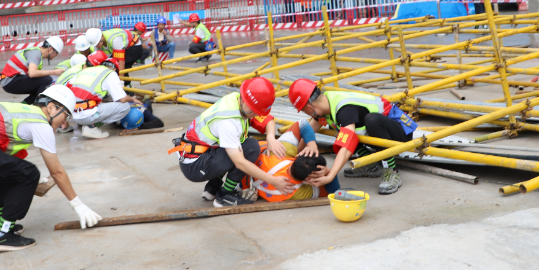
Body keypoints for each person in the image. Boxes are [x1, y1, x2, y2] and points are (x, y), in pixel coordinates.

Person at [0, 85, 102, 252]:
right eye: (65, 116)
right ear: (51, 108)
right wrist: (78, 205)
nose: (64, 123)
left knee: (3, 172)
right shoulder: (41, 124)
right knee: (30, 173)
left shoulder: (22, 111)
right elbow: (56, 171)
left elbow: (4, 159)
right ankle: (2, 235)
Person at [170, 77, 295, 207]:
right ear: (244, 99)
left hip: (198, 154)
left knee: (235, 146)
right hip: (195, 165)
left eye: (257, 111)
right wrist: (273, 180)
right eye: (252, 110)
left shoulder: (237, 100)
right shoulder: (229, 122)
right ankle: (224, 196)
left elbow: (268, 120)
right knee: (250, 148)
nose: (254, 114)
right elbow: (240, 163)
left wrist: (270, 138)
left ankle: (212, 188)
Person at [288, 79, 418, 195]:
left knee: (369, 121)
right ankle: (371, 165)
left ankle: (392, 171)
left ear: (309, 106)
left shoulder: (344, 109)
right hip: (380, 135)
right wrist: (292, 157)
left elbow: (346, 145)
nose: (307, 114)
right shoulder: (326, 104)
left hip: (400, 134)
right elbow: (307, 132)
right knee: (341, 129)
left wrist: (330, 176)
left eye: (304, 111)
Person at [68, 50, 162, 139]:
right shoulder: (109, 73)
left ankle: (89, 124)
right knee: (125, 106)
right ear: (115, 70)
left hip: (72, 115)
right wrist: (132, 99)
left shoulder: (85, 71)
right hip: (86, 114)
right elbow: (122, 99)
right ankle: (91, 127)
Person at [246, 125, 340, 202]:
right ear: (310, 179)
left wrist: (311, 144)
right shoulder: (295, 192)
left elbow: (302, 124)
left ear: (296, 156)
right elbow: (334, 193)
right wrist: (327, 172)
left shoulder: (280, 151)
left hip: (246, 155)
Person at [0, 37, 64, 104]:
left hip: (10, 80)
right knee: (47, 80)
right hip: (10, 81)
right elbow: (32, 73)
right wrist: (54, 72)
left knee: (41, 86)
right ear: (50, 49)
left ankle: (23, 106)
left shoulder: (36, 53)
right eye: (56, 53)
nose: (56, 55)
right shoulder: (36, 53)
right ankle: (39, 106)